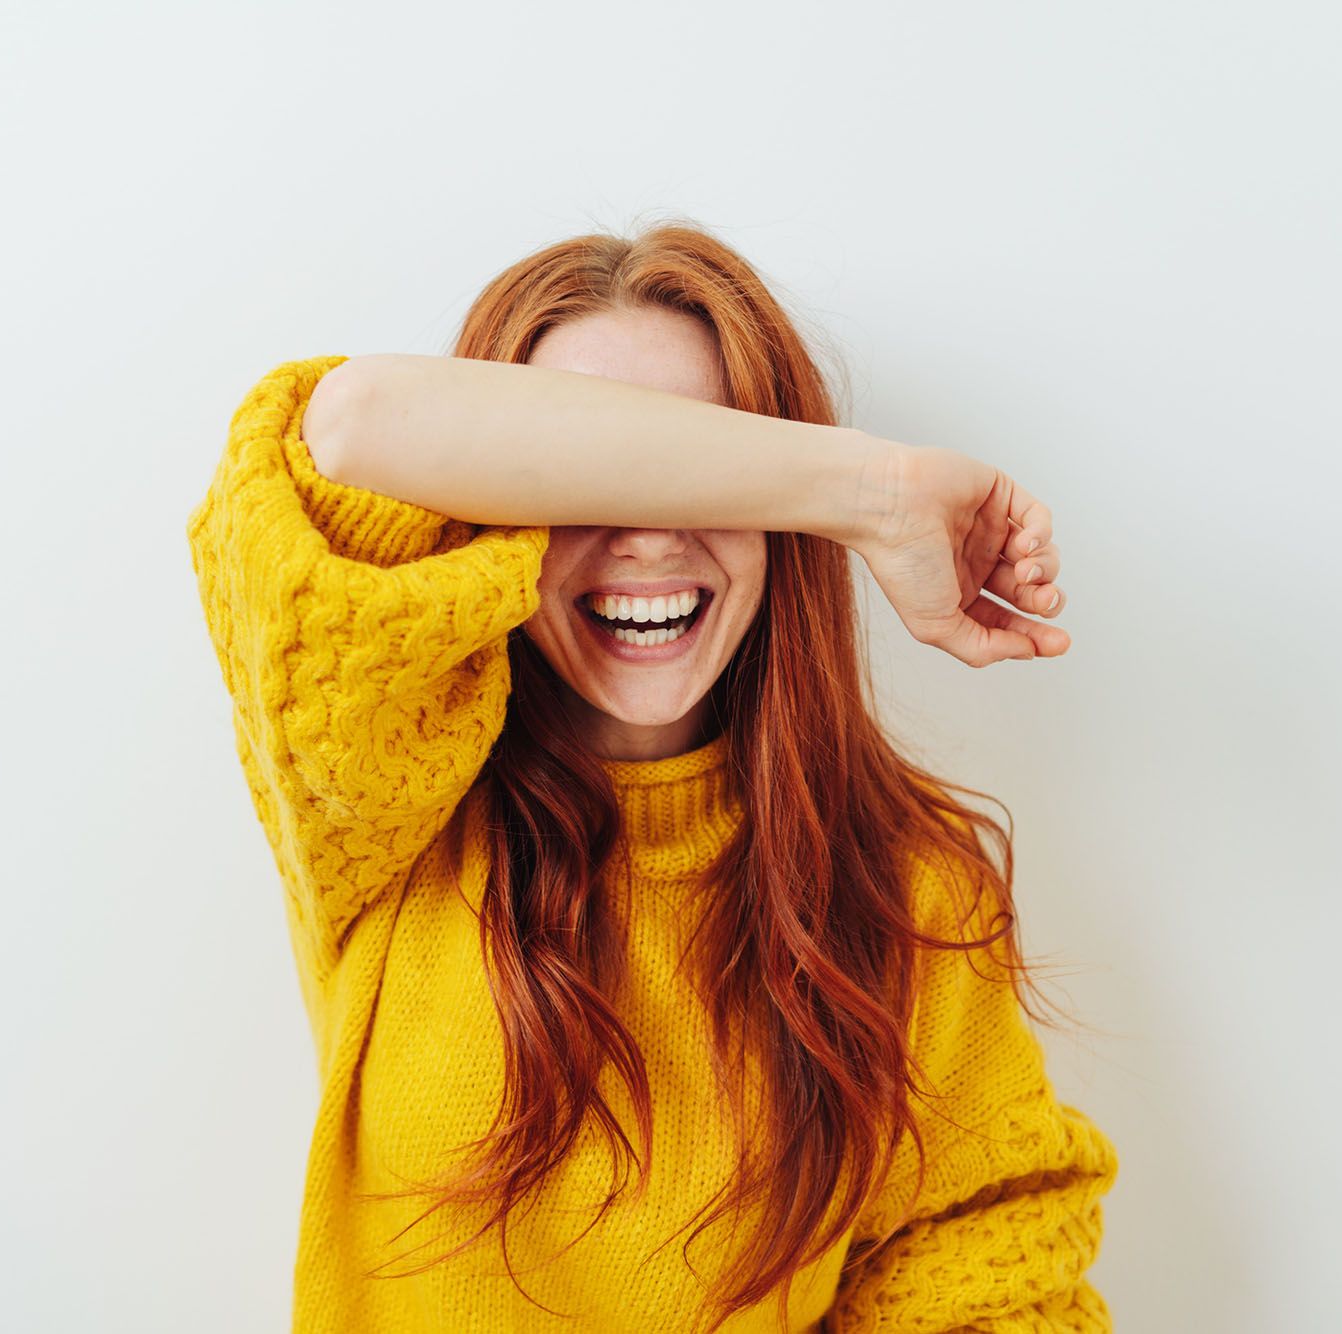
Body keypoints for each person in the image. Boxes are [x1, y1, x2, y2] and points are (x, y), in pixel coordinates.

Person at [184, 222, 1118, 1334]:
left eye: (700, 468)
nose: (645, 538)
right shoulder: (392, 799)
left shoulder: (906, 881)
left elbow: (980, 1264)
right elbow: (351, 425)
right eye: (586, 468)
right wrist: (874, 489)